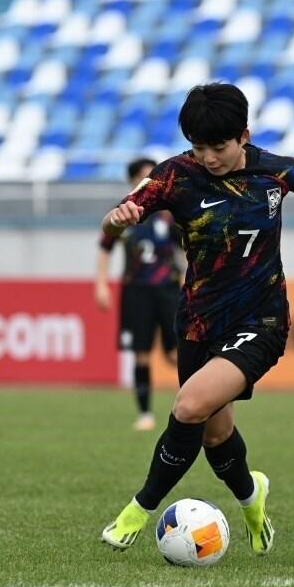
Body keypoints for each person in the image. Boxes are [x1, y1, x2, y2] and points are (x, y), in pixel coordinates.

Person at [99, 83, 294, 554]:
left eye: (218, 147)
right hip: (199, 322)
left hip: (262, 320)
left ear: (243, 136)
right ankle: (251, 498)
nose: (209, 158)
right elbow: (114, 220)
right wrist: (118, 221)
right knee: (215, 436)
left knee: (188, 406)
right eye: (199, 147)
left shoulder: (277, 170)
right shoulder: (173, 176)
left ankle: (137, 510)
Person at [95, 157, 183, 431]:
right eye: (145, 177)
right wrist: (100, 284)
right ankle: (145, 414)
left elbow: (187, 247)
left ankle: (197, 407)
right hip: (136, 291)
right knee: (141, 353)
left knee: (177, 352)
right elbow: (105, 246)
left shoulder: (170, 213)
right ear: (133, 181)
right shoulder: (121, 212)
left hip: (169, 289)